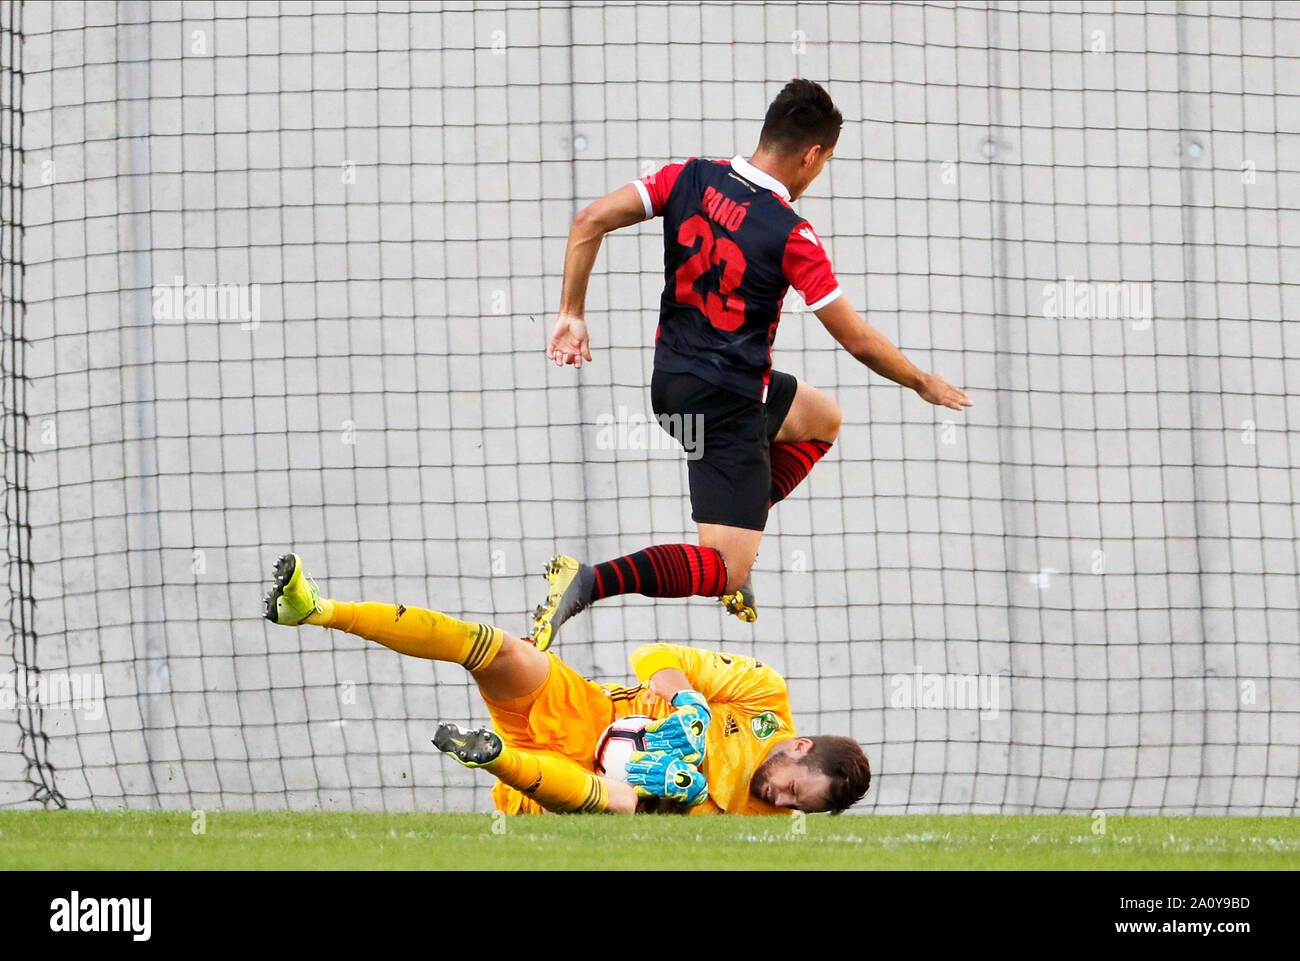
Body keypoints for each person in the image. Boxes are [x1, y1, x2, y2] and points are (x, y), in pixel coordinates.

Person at [535, 78, 972, 648]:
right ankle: (590, 581)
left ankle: (744, 516)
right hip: (726, 402)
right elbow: (858, 340)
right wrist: (922, 382)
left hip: (672, 384)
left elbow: (588, 220)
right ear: (811, 155)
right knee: (727, 571)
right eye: (825, 163)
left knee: (821, 418)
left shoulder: (688, 175)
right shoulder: (792, 233)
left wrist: (572, 312)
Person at [264, 552, 871, 815]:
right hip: (585, 709)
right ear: (799, 746)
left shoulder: (764, 834)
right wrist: (688, 703)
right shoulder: (764, 695)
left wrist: (678, 798)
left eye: (798, 807)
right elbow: (654, 652)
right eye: (794, 790)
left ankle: (495, 756)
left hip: (588, 787)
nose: (783, 802)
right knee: (500, 651)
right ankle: (316, 608)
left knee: (628, 802)